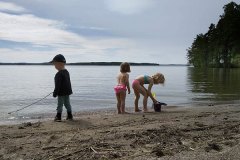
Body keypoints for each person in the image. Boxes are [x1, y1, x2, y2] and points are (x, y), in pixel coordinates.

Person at [51, 54, 73, 122]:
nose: (54, 66)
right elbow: (68, 83)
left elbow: (57, 86)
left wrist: (55, 93)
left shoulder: (58, 74)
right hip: (67, 92)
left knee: (60, 105)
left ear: (59, 64)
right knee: (67, 104)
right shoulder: (67, 72)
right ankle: (70, 116)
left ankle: (58, 116)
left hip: (61, 93)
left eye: (55, 64)